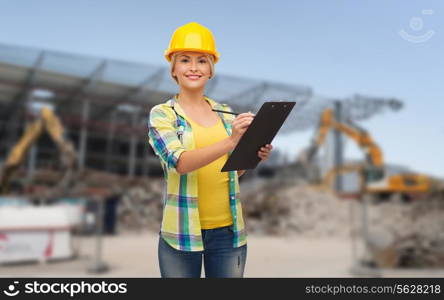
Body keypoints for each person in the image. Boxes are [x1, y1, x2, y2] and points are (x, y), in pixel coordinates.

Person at [147, 22, 273, 278]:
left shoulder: (226, 114)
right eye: (185, 60)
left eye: (202, 61)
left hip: (228, 233)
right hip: (181, 234)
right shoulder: (163, 115)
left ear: (211, 69)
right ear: (174, 68)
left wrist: (252, 156)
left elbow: (230, 174)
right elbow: (179, 162)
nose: (193, 68)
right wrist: (231, 142)